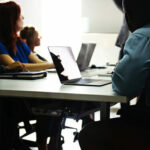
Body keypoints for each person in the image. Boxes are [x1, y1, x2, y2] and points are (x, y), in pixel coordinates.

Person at [79, 0, 150, 149]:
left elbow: (124, 86)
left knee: (89, 134)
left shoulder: (143, 35)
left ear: (130, 15)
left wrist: (120, 69)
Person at [0, 1, 62, 150]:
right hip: (17, 98)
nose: (23, 17)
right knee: (50, 105)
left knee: (59, 102)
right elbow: (19, 66)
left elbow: (35, 61)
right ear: (10, 19)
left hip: (29, 89)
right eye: (19, 15)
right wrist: (53, 64)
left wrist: (51, 64)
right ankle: (44, 146)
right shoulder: (0, 43)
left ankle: (53, 144)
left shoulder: (20, 42)